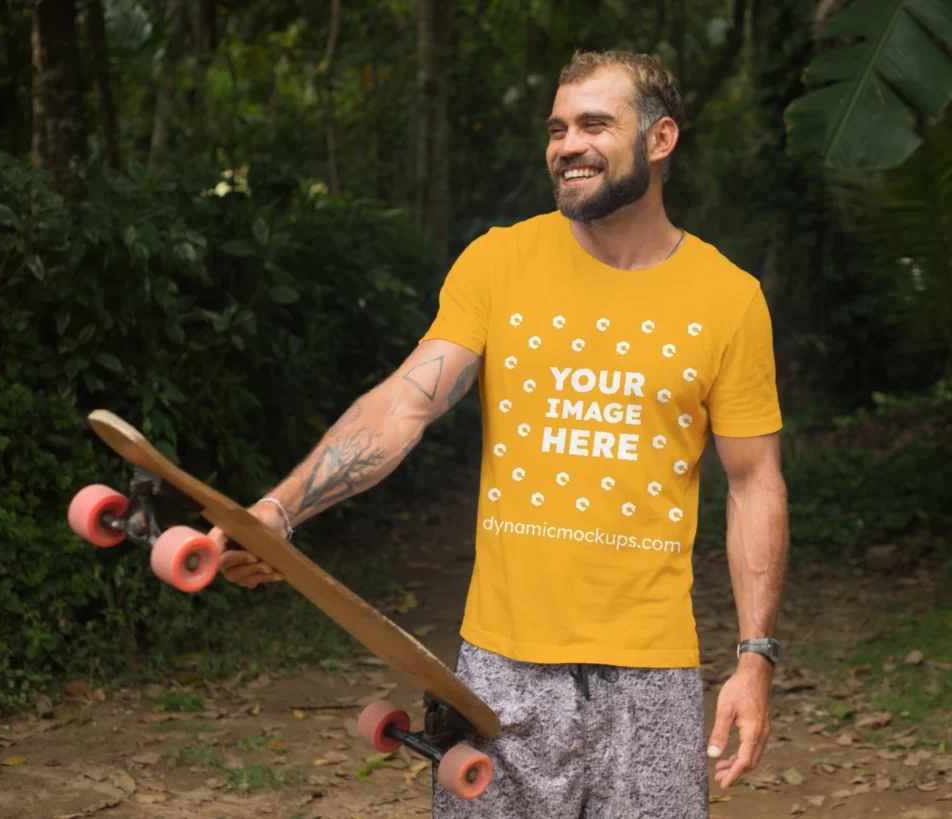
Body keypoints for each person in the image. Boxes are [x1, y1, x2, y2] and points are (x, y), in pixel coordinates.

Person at [211, 49, 789, 819]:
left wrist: (756, 657)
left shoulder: (729, 298)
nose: (566, 144)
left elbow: (754, 480)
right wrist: (279, 512)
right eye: (556, 128)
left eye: (593, 123)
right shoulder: (500, 262)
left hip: (653, 677)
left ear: (660, 140)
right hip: (501, 672)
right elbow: (403, 406)